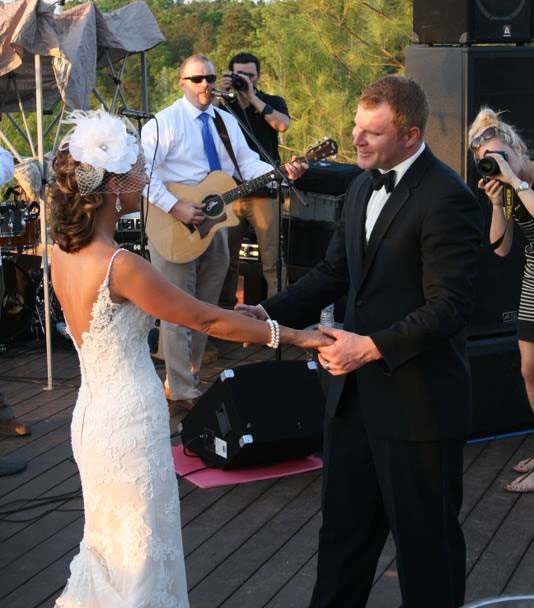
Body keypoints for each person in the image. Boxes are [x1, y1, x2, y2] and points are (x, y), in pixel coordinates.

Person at [49, 108, 329, 608]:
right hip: (129, 420)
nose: (143, 181)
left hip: (90, 417)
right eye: (134, 174)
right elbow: (207, 319)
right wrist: (293, 336)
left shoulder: (60, 252)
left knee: (111, 546)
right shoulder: (123, 266)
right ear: (112, 191)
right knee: (140, 550)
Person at [237, 75, 483, 607]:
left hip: (419, 409)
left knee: (427, 555)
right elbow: (331, 274)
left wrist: (368, 347)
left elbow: (451, 308)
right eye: (355, 126)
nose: (356, 139)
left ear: (411, 135)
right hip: (350, 406)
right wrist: (266, 313)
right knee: (342, 543)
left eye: (372, 132)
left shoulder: (448, 198)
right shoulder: (360, 186)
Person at [141, 53, 304, 411]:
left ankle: (188, 379)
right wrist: (176, 206)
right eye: (197, 79)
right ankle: (182, 390)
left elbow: (246, 163)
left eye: (210, 78)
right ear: (182, 84)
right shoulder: (163, 124)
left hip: (214, 223)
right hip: (174, 222)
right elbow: (143, 176)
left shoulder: (224, 122)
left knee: (204, 306)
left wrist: (278, 171)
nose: (205, 85)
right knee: (177, 308)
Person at [468, 107, 534, 493]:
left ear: (516, 148)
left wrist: (514, 179)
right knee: (529, 369)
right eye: (487, 162)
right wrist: (496, 203)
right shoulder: (508, 192)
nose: (497, 166)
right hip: (532, 276)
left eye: (500, 156)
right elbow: (500, 248)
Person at [218, 52, 290, 307]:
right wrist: (220, 94)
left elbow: (282, 125)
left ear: (258, 76)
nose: (244, 79)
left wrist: (252, 96)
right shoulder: (223, 106)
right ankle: (225, 315)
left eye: (250, 75)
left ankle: (279, 315)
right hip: (229, 193)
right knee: (225, 260)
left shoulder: (271, 101)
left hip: (265, 193)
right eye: (239, 75)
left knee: (272, 261)